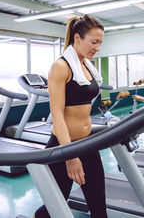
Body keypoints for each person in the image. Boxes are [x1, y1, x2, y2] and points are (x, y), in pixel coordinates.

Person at [34, 14, 107, 218]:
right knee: (53, 207)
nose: (98, 47)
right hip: (63, 147)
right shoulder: (61, 67)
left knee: (99, 206)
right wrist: (70, 156)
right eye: (94, 42)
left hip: (87, 143)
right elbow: (57, 115)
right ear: (77, 38)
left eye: (100, 42)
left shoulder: (85, 65)